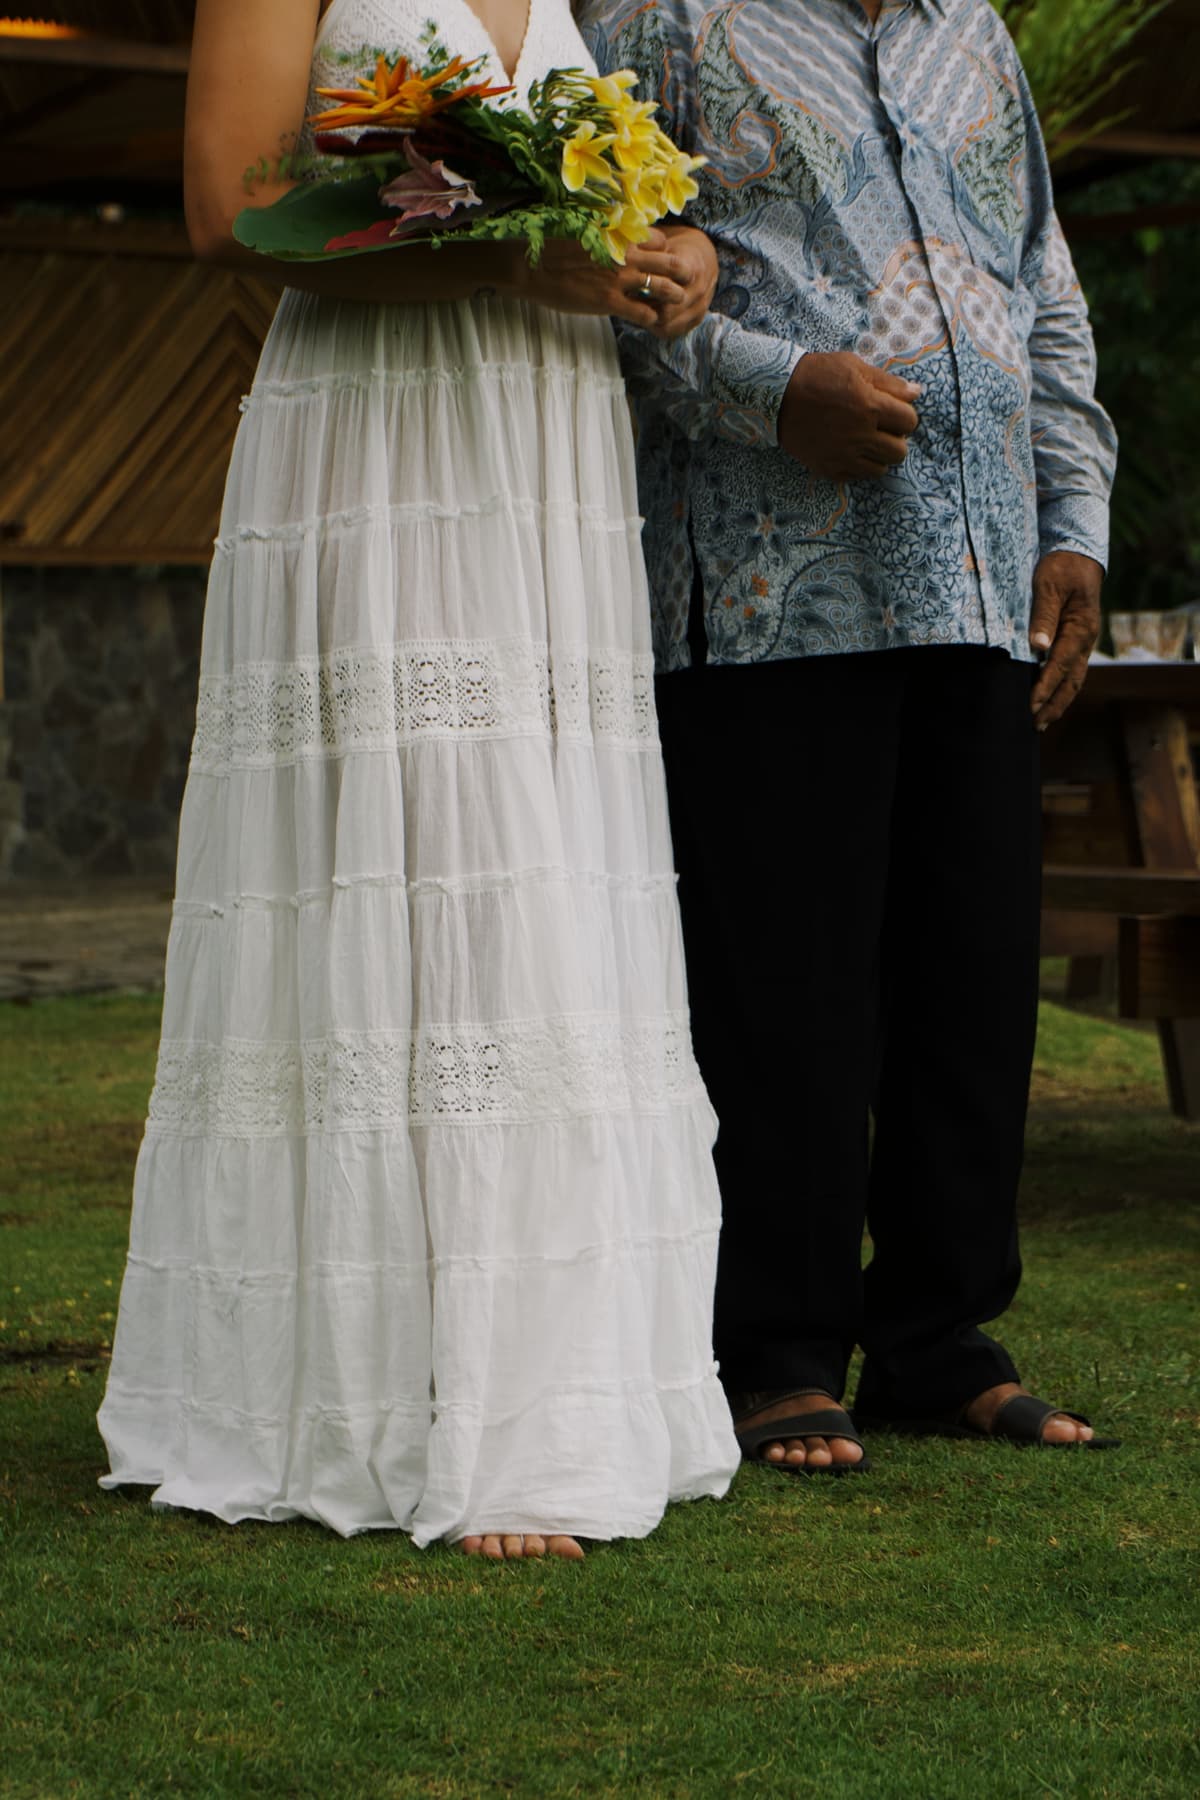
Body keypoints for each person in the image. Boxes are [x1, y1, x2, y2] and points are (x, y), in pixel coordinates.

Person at [97, 0, 742, 1559]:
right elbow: (232, 206)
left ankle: (554, 1381)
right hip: (383, 437)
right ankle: (408, 1394)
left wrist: (670, 257)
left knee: (548, 867)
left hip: (544, 441)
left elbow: (589, 204)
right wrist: (508, 264)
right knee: (423, 838)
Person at [578, 0, 1121, 1470]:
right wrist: (773, 394)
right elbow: (588, 287)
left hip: (982, 575)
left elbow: (1043, 287)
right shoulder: (659, 20)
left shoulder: (976, 32)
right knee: (786, 990)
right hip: (772, 585)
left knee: (972, 978)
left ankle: (941, 1340)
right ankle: (775, 1348)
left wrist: (1073, 517)